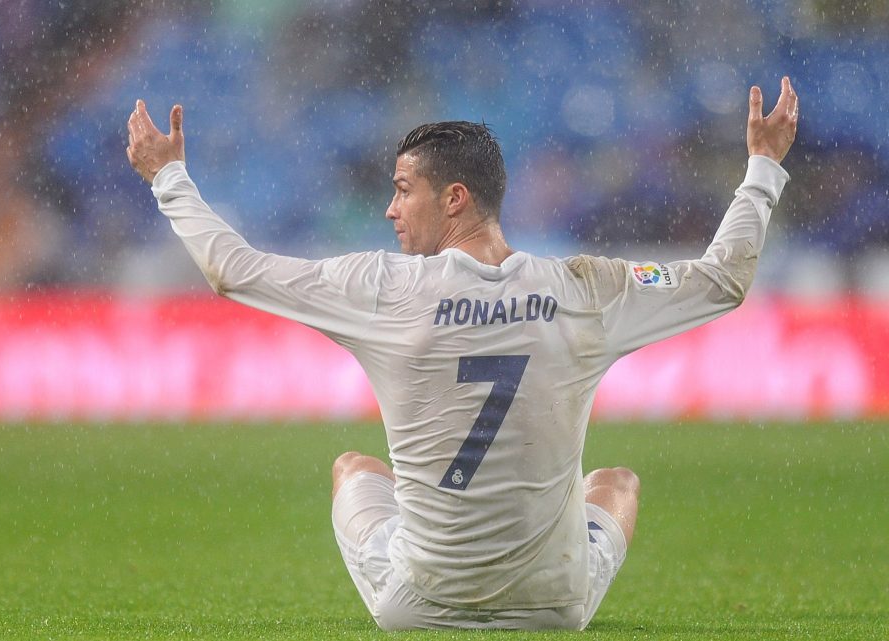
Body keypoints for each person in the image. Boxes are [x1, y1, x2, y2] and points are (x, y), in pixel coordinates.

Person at [126, 77, 798, 630]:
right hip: (554, 608)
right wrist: (764, 168)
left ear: (454, 197)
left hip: (418, 606)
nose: (390, 208)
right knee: (616, 483)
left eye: (402, 188)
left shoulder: (383, 290)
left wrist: (168, 177)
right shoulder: (584, 289)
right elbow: (722, 279)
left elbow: (232, 269)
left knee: (353, 465)